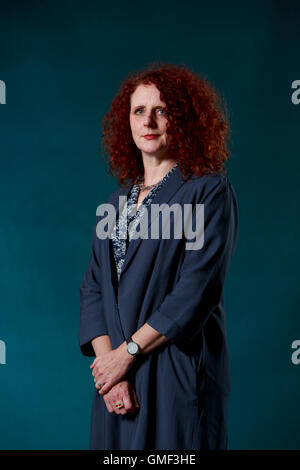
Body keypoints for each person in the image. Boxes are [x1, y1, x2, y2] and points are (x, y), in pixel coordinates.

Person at [79, 62, 239, 450]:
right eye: (139, 111)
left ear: (181, 120)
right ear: (126, 122)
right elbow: (94, 290)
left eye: (162, 110)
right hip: (118, 387)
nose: (148, 121)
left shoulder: (208, 192)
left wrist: (129, 354)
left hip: (174, 370)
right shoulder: (115, 203)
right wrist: (112, 373)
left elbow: (196, 290)